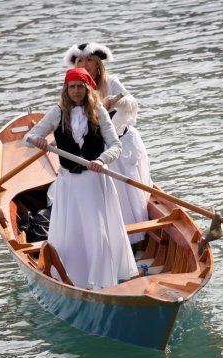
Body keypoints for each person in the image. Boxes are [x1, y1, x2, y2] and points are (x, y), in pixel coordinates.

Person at [23, 67, 138, 290]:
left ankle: (103, 282)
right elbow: (28, 137)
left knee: (98, 233)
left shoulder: (99, 112)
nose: (76, 91)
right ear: (66, 90)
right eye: (72, 87)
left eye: (80, 87)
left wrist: (103, 160)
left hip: (95, 182)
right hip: (69, 184)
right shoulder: (57, 113)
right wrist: (37, 141)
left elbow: (116, 145)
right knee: (73, 233)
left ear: (87, 89)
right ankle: (75, 279)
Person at [63, 42, 151, 245]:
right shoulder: (77, 90)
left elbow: (132, 104)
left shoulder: (111, 82)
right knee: (109, 198)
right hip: (99, 152)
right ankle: (115, 240)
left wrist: (115, 101)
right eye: (80, 61)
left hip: (123, 145)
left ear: (98, 64)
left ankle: (138, 240)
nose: (85, 65)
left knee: (130, 195)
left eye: (90, 61)